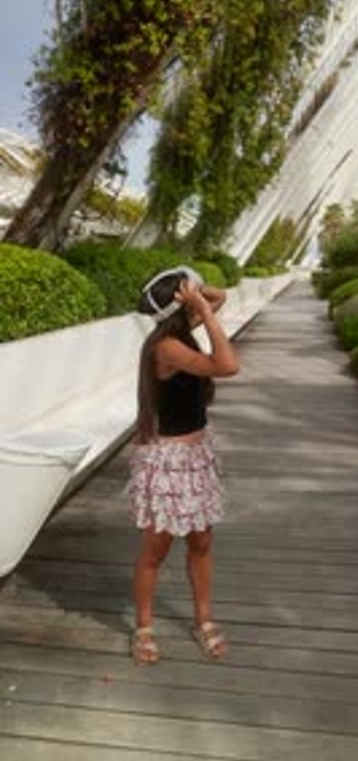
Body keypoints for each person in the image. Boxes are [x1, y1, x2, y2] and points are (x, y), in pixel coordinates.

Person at [127, 265, 239, 664]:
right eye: (189, 293)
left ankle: (204, 620)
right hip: (169, 463)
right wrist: (201, 309)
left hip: (196, 456)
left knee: (201, 543)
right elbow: (228, 365)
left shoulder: (177, 334)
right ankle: (143, 627)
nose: (199, 297)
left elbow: (220, 294)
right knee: (155, 552)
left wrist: (194, 295)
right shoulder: (167, 347)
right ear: (178, 307)